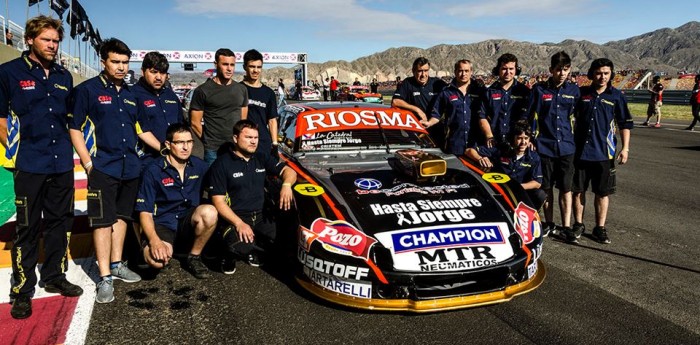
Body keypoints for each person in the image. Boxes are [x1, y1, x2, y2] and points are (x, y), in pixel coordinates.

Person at [0, 15, 82, 320]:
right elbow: (1, 119)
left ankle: (55, 276)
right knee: (27, 227)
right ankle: (21, 289)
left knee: (61, 222)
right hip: (29, 163)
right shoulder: (8, 73)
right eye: (47, 40)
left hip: (61, 161)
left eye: (56, 40)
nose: (53, 45)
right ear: (30, 40)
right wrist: (16, 151)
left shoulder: (64, 76)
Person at [69, 38, 161, 303]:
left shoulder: (132, 95)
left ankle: (118, 263)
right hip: (102, 167)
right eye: (116, 62)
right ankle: (105, 276)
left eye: (125, 63)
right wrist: (88, 164)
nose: (121, 68)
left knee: (121, 217)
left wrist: (165, 149)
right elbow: (74, 128)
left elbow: (141, 130)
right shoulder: (87, 90)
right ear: (103, 61)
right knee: (102, 221)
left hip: (130, 167)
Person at [208, 120, 296, 273]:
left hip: (260, 216)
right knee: (240, 246)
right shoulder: (221, 164)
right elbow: (218, 201)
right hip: (235, 218)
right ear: (235, 138)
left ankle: (254, 250)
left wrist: (286, 185)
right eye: (248, 137)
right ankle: (227, 255)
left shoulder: (261, 157)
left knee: (282, 242)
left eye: (255, 138)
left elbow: (289, 172)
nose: (253, 141)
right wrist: (239, 223)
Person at [562, 58, 633, 244]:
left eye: (606, 73)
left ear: (611, 75)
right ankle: (578, 224)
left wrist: (625, 148)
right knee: (578, 190)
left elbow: (625, 124)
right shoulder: (581, 93)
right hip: (580, 152)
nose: (602, 77)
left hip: (604, 153)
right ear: (592, 73)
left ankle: (599, 228)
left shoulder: (616, 96)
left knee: (602, 193)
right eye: (599, 73)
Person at [135, 124, 217, 279]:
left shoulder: (200, 166)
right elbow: (144, 212)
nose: (185, 147)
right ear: (168, 144)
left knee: (210, 212)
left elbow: (219, 189)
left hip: (187, 220)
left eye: (189, 142)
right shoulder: (153, 170)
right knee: (157, 261)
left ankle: (194, 256)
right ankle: (149, 246)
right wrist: (154, 241)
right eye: (180, 142)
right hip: (163, 222)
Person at [527, 51, 580, 237]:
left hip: (567, 147)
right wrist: (531, 139)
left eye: (566, 70)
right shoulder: (539, 90)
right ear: (551, 70)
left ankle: (566, 226)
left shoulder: (574, 91)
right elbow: (528, 117)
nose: (562, 73)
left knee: (566, 188)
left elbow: (580, 117)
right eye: (558, 70)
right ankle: (549, 223)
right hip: (545, 146)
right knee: (546, 187)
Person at [465, 123, 545, 210]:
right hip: (498, 190)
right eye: (519, 138)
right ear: (513, 138)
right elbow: (468, 151)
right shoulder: (501, 149)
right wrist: (480, 158)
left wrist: (517, 187)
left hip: (520, 191)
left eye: (526, 138)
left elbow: (537, 183)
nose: (523, 142)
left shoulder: (534, 157)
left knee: (540, 194)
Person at [189, 48, 248, 165]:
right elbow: (195, 122)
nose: (229, 68)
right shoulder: (202, 90)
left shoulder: (241, 89)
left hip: (235, 147)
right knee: (213, 182)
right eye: (225, 64)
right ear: (216, 64)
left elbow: (243, 121)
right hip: (213, 150)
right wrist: (208, 141)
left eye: (232, 65)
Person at [132, 51, 184, 168]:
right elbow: (140, 129)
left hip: (174, 159)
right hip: (146, 161)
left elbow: (181, 125)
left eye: (163, 73)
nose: (159, 77)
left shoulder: (171, 95)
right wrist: (164, 150)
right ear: (143, 71)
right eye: (154, 72)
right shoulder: (132, 95)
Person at [423, 59, 482, 155]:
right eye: (460, 71)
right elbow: (437, 114)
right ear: (455, 72)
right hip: (455, 143)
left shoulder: (479, 91)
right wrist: (429, 123)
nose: (463, 74)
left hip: (476, 144)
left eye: (466, 71)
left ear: (471, 72)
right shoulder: (446, 92)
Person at [392, 57, 447, 148]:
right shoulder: (407, 83)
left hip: (437, 129)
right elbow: (395, 101)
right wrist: (417, 110)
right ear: (414, 71)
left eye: (426, 71)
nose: (423, 74)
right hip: (415, 130)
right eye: (420, 71)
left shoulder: (438, 83)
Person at [479, 53, 531, 146]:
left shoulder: (524, 92)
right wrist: (489, 135)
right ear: (498, 70)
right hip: (494, 141)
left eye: (511, 69)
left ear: (516, 70)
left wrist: (528, 140)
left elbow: (530, 118)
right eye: (504, 69)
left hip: (517, 143)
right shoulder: (489, 92)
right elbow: (482, 116)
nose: (508, 72)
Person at [241, 49, 279, 158]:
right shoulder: (238, 89)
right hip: (243, 143)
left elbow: (272, 120)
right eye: (252, 67)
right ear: (245, 67)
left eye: (259, 67)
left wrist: (275, 144)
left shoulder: (269, 93)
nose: (255, 70)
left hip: (263, 143)